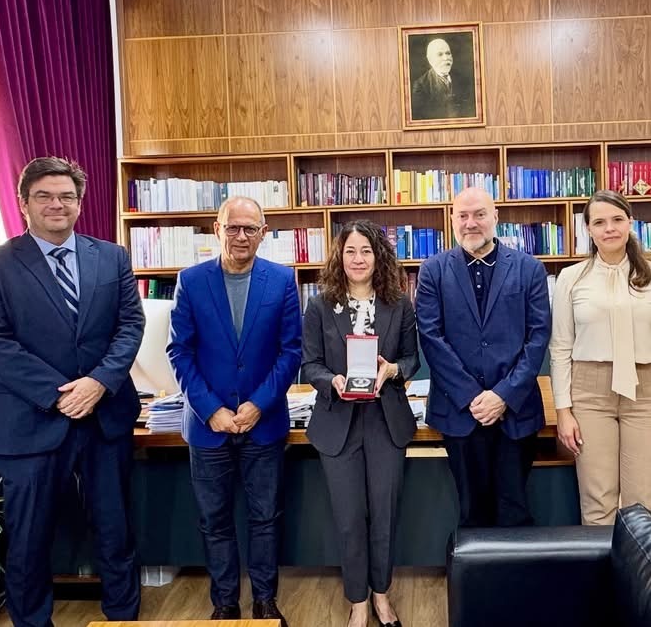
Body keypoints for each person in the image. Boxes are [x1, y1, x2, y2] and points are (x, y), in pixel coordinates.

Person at [0, 157, 144, 626]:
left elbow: (130, 324)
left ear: (80, 203)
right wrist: (60, 393)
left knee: (116, 530)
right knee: (29, 539)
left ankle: (123, 617)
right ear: (23, 203)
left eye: (66, 196)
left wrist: (99, 382)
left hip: (105, 417)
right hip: (31, 420)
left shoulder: (112, 257)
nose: (56, 204)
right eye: (43, 195)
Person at [167, 196, 301, 624]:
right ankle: (224, 604)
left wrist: (259, 404)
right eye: (233, 227)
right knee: (215, 520)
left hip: (264, 423)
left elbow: (291, 351)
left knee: (265, 517)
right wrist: (211, 410)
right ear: (217, 229)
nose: (241, 236)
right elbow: (179, 352)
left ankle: (265, 601)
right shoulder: (191, 280)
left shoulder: (282, 280)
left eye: (250, 228)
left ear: (264, 232)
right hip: (209, 426)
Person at [302, 220, 419, 627]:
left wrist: (392, 371)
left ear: (378, 256)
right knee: (350, 518)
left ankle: (381, 596)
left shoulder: (399, 304)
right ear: (340, 256)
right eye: (350, 251)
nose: (358, 259)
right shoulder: (319, 305)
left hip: (386, 421)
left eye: (366, 251)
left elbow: (412, 359)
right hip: (339, 423)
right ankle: (358, 601)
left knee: (384, 514)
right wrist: (331, 381)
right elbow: (310, 364)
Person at [549, 190, 651, 526]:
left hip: (648, 392)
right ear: (588, 229)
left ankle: (639, 562)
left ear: (630, 223)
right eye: (599, 222)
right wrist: (564, 411)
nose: (609, 228)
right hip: (590, 393)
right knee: (598, 500)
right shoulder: (571, 278)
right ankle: (602, 561)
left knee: (645, 503)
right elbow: (560, 348)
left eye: (617, 220)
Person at [416, 187, 551, 527]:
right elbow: (431, 337)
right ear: (452, 220)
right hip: (459, 411)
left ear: (495, 217)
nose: (470, 223)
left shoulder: (529, 269)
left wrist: (502, 396)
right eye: (462, 216)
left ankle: (514, 564)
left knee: (514, 511)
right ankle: (475, 566)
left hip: (515, 411)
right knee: (471, 514)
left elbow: (538, 338)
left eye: (479, 214)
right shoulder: (433, 271)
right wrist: (473, 397)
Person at [410, 38, 475, 120]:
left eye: (448, 53)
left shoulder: (463, 79)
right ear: (430, 60)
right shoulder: (420, 86)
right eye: (440, 54)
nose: (446, 58)